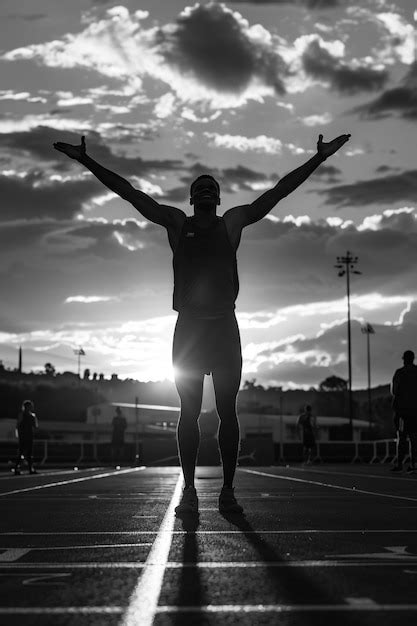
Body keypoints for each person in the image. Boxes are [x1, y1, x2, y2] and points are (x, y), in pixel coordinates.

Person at [53, 131, 351, 514]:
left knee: (229, 411)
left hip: (224, 328)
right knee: (188, 413)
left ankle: (228, 489)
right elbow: (130, 193)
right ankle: (190, 489)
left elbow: (277, 193)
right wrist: (87, 161)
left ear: (219, 198)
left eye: (212, 187)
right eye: (201, 187)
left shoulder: (232, 223)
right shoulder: (177, 224)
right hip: (190, 329)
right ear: (193, 199)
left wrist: (319, 159)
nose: (207, 190)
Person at [390, 350, 417, 473]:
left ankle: (400, 464)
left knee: (401, 437)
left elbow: (394, 391)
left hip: (402, 412)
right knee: (414, 438)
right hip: (415, 411)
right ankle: (414, 464)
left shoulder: (400, 373)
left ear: (404, 359)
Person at [14, 400, 38, 475]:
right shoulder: (22, 415)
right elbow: (18, 426)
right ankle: (17, 468)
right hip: (23, 436)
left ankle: (30, 468)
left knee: (29, 453)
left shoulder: (32, 415)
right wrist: (18, 435)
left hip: (29, 436)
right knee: (21, 452)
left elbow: (35, 426)